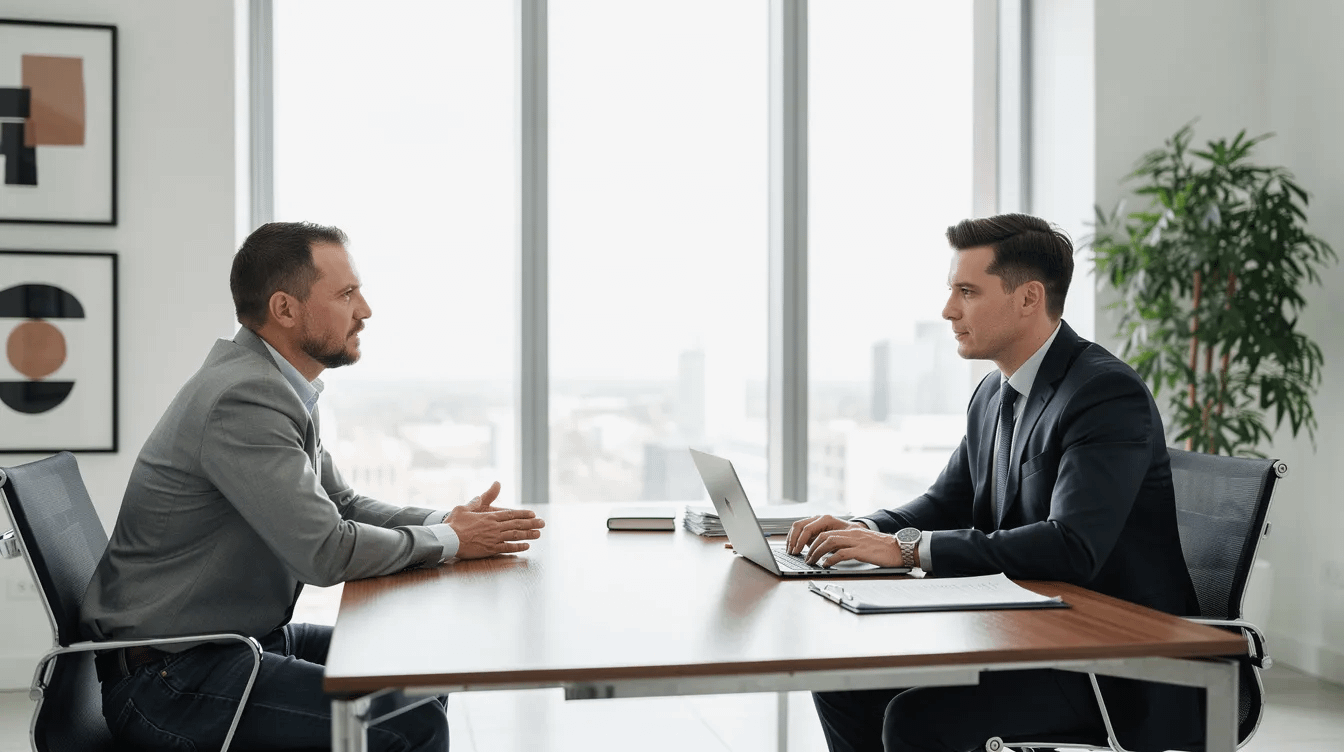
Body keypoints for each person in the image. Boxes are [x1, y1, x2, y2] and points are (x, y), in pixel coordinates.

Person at [80, 221, 545, 751]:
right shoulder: (244, 397)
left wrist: (444, 523)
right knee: (408, 723)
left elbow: (341, 503)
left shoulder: (274, 384)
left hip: (234, 645)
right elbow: (325, 550)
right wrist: (454, 544)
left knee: (422, 678)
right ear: (285, 309)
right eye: (346, 294)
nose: (365, 310)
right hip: (174, 680)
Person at [787, 214, 1202, 752]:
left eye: (967, 291)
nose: (948, 310)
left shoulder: (1103, 394)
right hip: (1027, 634)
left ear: (1028, 298)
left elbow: (1071, 546)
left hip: (1115, 661)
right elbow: (945, 502)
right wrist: (862, 529)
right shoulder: (992, 393)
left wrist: (906, 551)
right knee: (844, 683)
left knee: (919, 719)